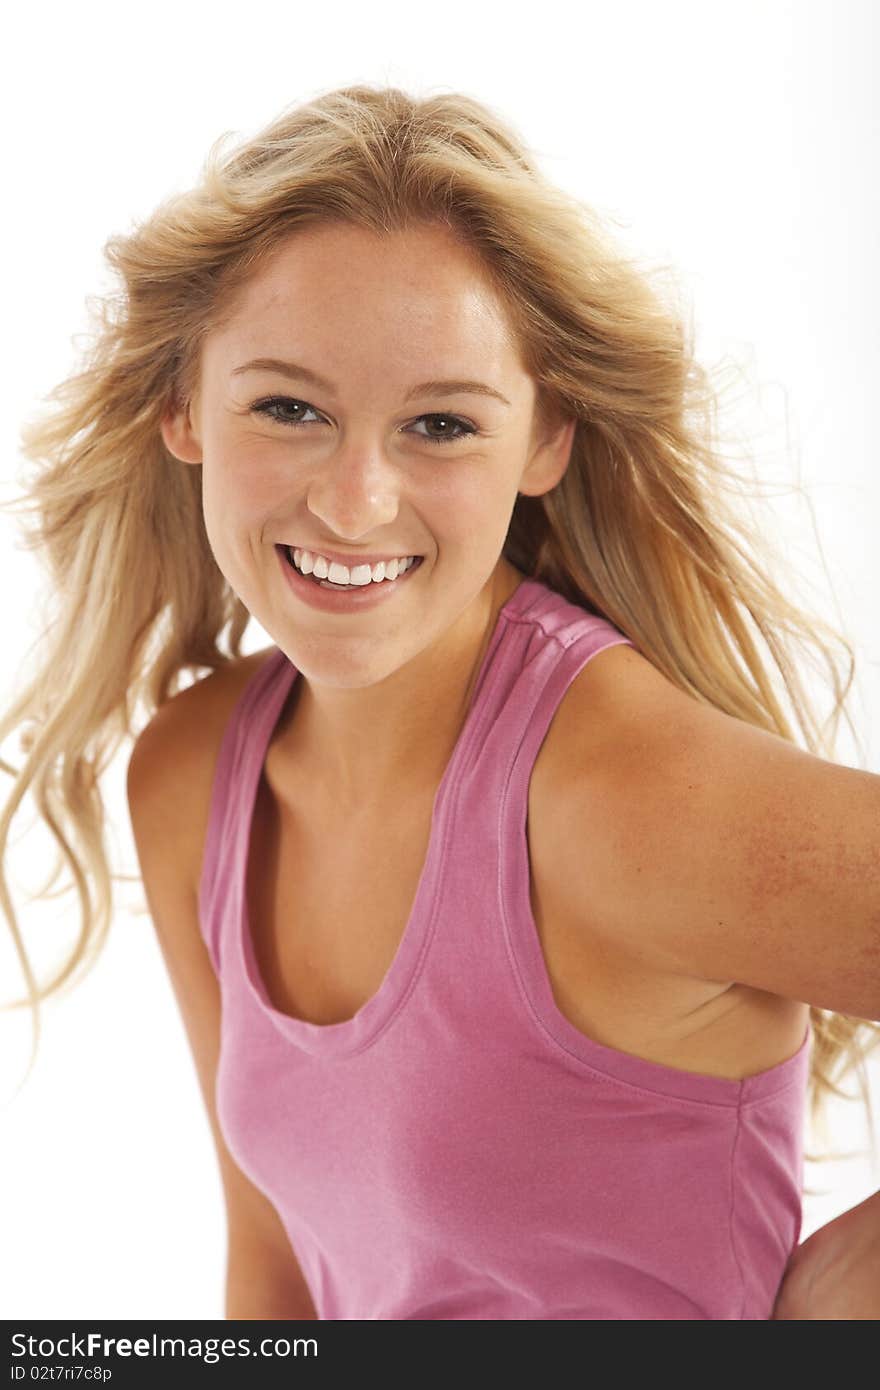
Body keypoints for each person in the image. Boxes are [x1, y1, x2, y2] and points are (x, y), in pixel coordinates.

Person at [2, 84, 879, 1320]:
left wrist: (836, 1305)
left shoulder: (620, 797)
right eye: (290, 407)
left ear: (545, 440)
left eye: (440, 424)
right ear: (183, 405)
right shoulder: (195, 774)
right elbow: (274, 1276)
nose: (356, 501)